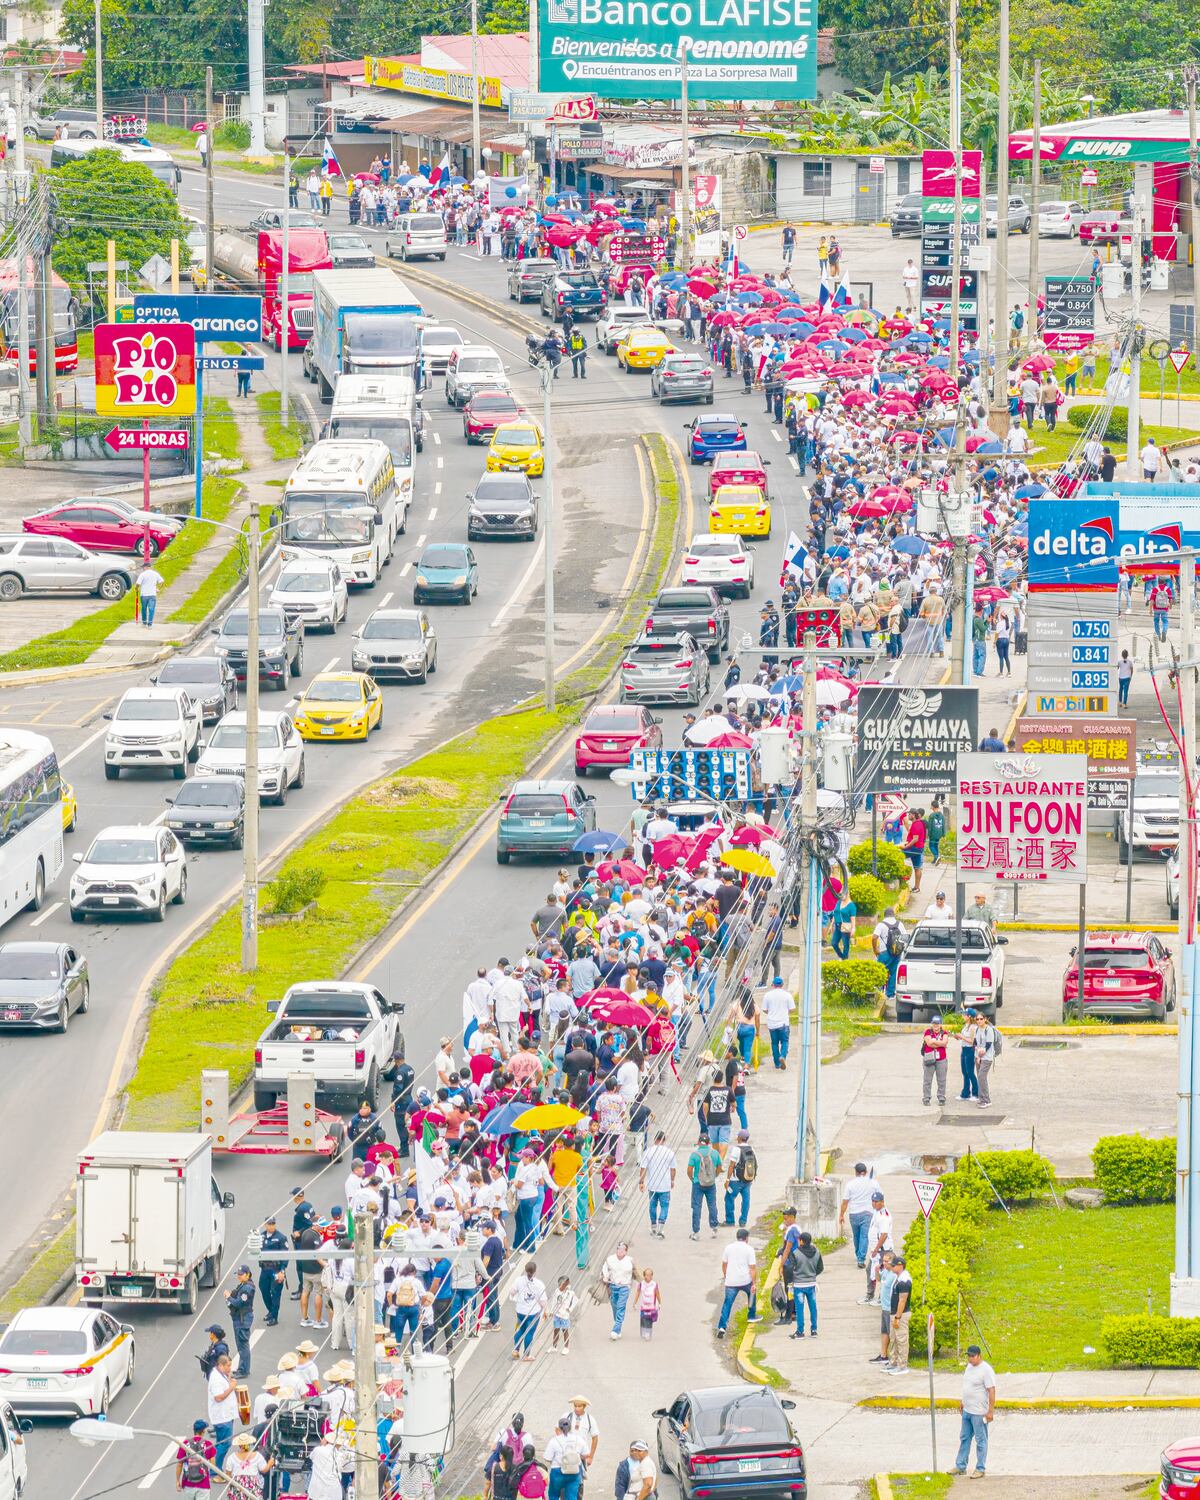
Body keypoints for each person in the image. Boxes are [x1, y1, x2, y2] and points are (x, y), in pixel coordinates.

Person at [954, 1345, 997, 1475]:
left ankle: (980, 1468)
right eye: (969, 1356)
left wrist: (990, 1411)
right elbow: (967, 1386)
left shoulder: (986, 1370)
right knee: (964, 1438)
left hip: (979, 1413)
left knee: (981, 1440)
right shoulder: (969, 1367)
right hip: (967, 1410)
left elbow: (991, 1390)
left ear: (979, 1356)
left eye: (973, 1356)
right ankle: (961, 1466)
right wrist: (963, 1401)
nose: (970, 1359)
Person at [716, 1226, 759, 1338]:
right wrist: (754, 1284)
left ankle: (722, 1326)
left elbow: (724, 1264)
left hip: (731, 1281)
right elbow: (752, 1268)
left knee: (727, 1304)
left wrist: (726, 1275)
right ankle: (751, 1315)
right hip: (745, 1280)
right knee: (752, 1295)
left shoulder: (728, 1248)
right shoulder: (749, 1249)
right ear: (746, 1238)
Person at [838, 1161, 880, 1268]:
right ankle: (860, 1258)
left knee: (856, 1236)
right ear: (865, 1172)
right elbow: (880, 1196)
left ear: (856, 1172)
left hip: (854, 1214)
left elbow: (845, 1202)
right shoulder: (873, 1182)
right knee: (864, 1236)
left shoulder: (850, 1184)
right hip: (868, 1213)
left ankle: (859, 1256)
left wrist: (841, 1215)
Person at [785, 1229, 823, 1339]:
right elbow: (820, 1268)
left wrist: (791, 1281)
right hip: (811, 1284)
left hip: (799, 1286)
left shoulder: (796, 1253)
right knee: (813, 1307)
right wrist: (812, 1275)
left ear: (801, 1241)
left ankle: (800, 1332)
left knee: (800, 1309)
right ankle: (814, 1330)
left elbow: (789, 1268)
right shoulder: (817, 1252)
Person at [639, 1129, 676, 1237]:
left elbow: (643, 1168)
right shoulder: (670, 1152)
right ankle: (661, 1227)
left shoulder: (648, 1152)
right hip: (665, 1185)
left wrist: (641, 1182)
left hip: (652, 1185)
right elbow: (673, 1169)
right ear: (664, 1140)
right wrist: (672, 1180)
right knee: (665, 1206)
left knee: (652, 1205)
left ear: (655, 1139)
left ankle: (653, 1226)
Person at [206, 1352, 238, 1471]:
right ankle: (215, 1469)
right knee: (225, 1443)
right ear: (220, 1365)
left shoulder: (221, 1374)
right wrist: (232, 1387)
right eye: (228, 1366)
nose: (230, 1368)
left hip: (226, 1415)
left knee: (220, 1443)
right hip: (222, 1417)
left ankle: (215, 1466)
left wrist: (229, 1378)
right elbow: (218, 1397)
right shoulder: (216, 1379)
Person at [510, 1259, 548, 1361]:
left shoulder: (519, 1280)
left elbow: (512, 1292)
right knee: (529, 1333)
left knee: (520, 1329)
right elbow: (543, 1301)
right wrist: (545, 1311)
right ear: (535, 1271)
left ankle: (516, 1350)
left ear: (526, 1270)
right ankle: (526, 1355)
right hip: (533, 1313)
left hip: (520, 1311)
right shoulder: (539, 1284)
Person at [688, 1131, 721, 1239]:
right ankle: (714, 1228)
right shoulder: (715, 1153)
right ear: (709, 1142)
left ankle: (696, 1232)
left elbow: (689, 1170)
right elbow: (719, 1167)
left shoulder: (695, 1155)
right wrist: (714, 1176)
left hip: (698, 1183)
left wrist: (693, 1179)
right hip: (711, 1183)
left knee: (697, 1206)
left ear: (698, 1142)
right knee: (712, 1205)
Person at [544, 1416, 587, 1500]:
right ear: (570, 1427)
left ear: (559, 1428)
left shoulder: (554, 1441)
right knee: (571, 1496)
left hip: (557, 1472)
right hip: (574, 1472)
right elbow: (586, 1453)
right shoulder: (578, 1439)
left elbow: (547, 1458)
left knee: (554, 1495)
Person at [224, 1263, 255, 1377]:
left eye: (241, 1275)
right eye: (238, 1274)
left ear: (247, 1275)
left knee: (243, 1345)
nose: (239, 1276)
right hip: (239, 1318)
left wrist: (228, 1297)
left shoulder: (247, 1288)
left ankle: (244, 1370)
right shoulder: (243, 1285)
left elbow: (239, 1303)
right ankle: (242, 1368)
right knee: (240, 1345)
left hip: (243, 1319)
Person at [256, 1215, 287, 1326]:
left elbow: (285, 1255)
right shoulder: (261, 1237)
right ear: (265, 1225)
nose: (271, 1226)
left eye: (273, 1224)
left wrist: (282, 1271)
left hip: (276, 1269)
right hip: (265, 1269)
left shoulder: (281, 1237)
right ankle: (271, 1311)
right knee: (263, 1289)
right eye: (269, 1224)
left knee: (275, 1293)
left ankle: (274, 1317)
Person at [722, 1130, 757, 1228]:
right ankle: (743, 1221)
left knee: (729, 1198)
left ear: (740, 1138)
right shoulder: (752, 1149)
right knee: (746, 1200)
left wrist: (727, 1179)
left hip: (735, 1180)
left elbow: (731, 1166)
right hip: (748, 1179)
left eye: (738, 1136)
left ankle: (730, 1221)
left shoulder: (736, 1149)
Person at [601, 1240, 635, 1340]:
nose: (620, 1250)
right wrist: (605, 1277)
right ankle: (618, 1327)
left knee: (621, 1306)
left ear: (626, 1251)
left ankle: (615, 1330)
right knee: (614, 1306)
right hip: (612, 1286)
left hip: (625, 1287)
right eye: (618, 1248)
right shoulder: (610, 1259)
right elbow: (604, 1269)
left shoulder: (630, 1260)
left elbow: (635, 1272)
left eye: (622, 1249)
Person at [886, 1253, 912, 1373]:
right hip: (894, 1314)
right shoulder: (898, 1277)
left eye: (893, 1265)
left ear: (900, 1266)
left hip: (900, 1315)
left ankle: (902, 1366)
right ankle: (894, 1363)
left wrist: (897, 1317)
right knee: (894, 1339)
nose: (891, 1267)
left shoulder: (904, 1280)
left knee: (901, 1340)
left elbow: (902, 1300)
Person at [872, 907, 906, 1000]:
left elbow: (874, 937)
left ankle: (878, 993)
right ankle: (890, 994)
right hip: (897, 953)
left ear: (885, 915)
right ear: (893, 914)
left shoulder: (881, 925)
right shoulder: (900, 924)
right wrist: (900, 949)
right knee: (894, 973)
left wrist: (875, 950)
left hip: (884, 952)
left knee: (880, 971)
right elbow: (905, 938)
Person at [761, 976, 793, 1068]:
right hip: (783, 1023)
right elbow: (792, 1009)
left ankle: (777, 1063)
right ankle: (782, 1056)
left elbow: (764, 1009)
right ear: (782, 985)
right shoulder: (787, 995)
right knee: (784, 1041)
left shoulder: (767, 995)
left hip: (772, 1023)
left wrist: (770, 1012)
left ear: (773, 985)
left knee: (774, 1043)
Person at [176, 1419, 216, 1490]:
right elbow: (213, 1464)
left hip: (188, 1483)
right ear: (203, 1431)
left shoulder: (185, 1444)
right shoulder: (208, 1444)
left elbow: (179, 1464)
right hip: (203, 1484)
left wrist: (177, 1481)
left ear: (194, 1430)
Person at [921, 1013, 950, 1107]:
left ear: (941, 1024)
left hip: (941, 1059)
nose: (936, 1026)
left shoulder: (944, 1033)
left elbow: (945, 1042)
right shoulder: (927, 1032)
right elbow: (929, 1043)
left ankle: (941, 1097)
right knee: (927, 1080)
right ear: (931, 1024)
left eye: (937, 1024)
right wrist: (939, 1043)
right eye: (934, 1024)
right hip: (929, 1058)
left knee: (941, 1080)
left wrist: (934, 1041)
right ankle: (926, 1098)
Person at [976, 1013, 998, 1108]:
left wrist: (980, 1055)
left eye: (981, 1019)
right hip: (978, 1057)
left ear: (985, 1019)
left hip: (987, 1057)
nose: (979, 1021)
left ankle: (986, 1100)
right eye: (977, 1019)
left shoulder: (989, 1030)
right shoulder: (977, 1029)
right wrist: (977, 1055)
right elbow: (975, 1042)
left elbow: (988, 1044)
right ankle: (981, 1098)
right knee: (980, 1078)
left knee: (981, 1077)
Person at [959, 1008, 981, 1100]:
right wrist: (957, 1036)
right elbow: (964, 1038)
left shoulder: (973, 1027)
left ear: (969, 1017)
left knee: (970, 1072)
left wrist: (962, 1037)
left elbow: (972, 1041)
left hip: (970, 1050)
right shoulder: (966, 1025)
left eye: (964, 1015)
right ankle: (965, 1093)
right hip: (964, 1049)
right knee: (964, 1072)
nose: (962, 1016)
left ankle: (976, 1093)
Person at [136, 561, 165, 626]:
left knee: (144, 609)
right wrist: (158, 589)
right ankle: (150, 624)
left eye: (143, 567)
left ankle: (144, 623)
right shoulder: (155, 574)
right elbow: (162, 582)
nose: (143, 568)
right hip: (152, 595)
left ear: (146, 567)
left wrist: (136, 588)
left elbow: (138, 584)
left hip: (144, 595)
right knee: (151, 609)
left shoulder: (142, 574)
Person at [636, 1266, 661, 1340]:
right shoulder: (641, 1284)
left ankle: (648, 1333)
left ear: (652, 1276)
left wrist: (660, 1303)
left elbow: (657, 1294)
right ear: (644, 1276)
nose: (648, 1277)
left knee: (649, 1320)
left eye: (650, 1275)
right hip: (643, 1306)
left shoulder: (654, 1284)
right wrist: (635, 1303)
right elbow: (638, 1293)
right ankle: (643, 1331)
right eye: (646, 1275)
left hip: (651, 1306)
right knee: (643, 1319)